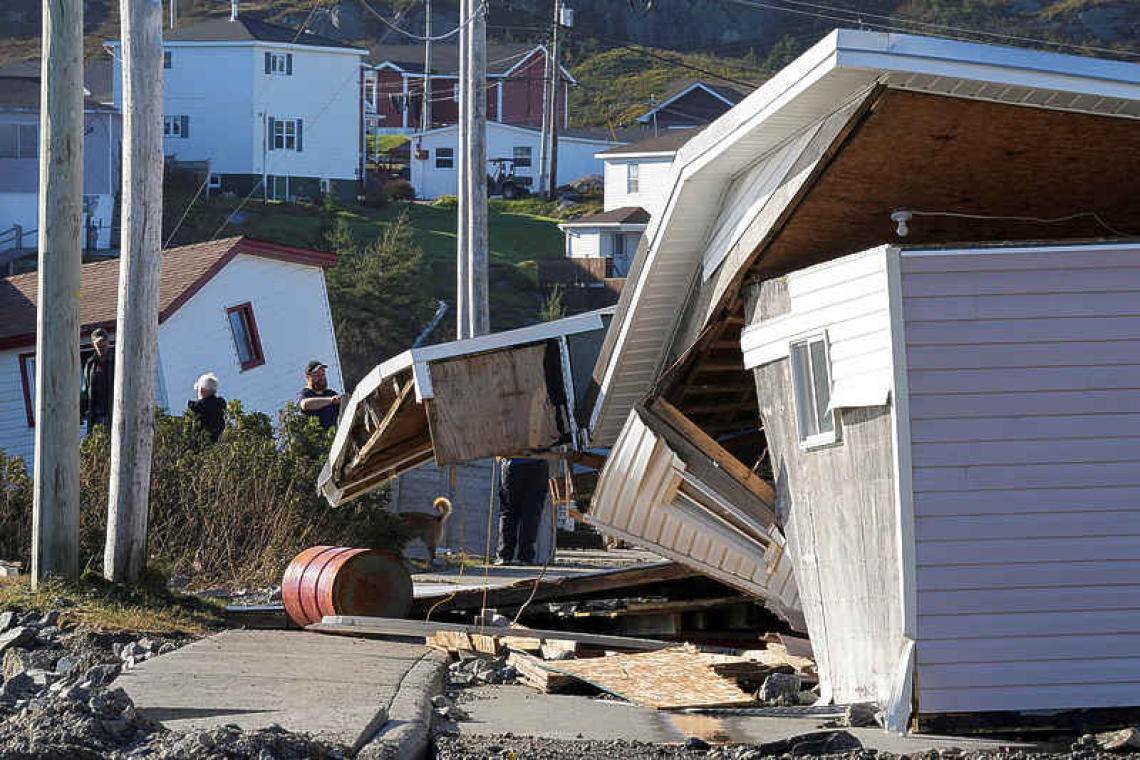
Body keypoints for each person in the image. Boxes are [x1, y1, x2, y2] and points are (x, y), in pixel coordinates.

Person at [496, 457, 550, 566]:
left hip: (513, 464)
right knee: (531, 513)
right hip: (537, 463)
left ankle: (505, 555)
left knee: (508, 512)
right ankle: (525, 557)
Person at [80, 328, 114, 434]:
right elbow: (85, 390)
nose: (101, 345)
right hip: (96, 418)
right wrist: (80, 411)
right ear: (93, 345)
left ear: (108, 342)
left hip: (114, 413)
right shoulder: (90, 364)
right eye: (98, 342)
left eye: (103, 342)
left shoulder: (118, 360)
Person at [297, 360, 343, 429]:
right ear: (308, 378)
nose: (321, 377)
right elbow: (305, 404)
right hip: (318, 438)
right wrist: (331, 400)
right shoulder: (306, 393)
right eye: (317, 375)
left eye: (323, 374)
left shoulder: (331, 393)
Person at [187, 373, 226, 442]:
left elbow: (190, 430)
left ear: (201, 390)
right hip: (219, 443)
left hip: (202, 444)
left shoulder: (196, 408)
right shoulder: (221, 404)